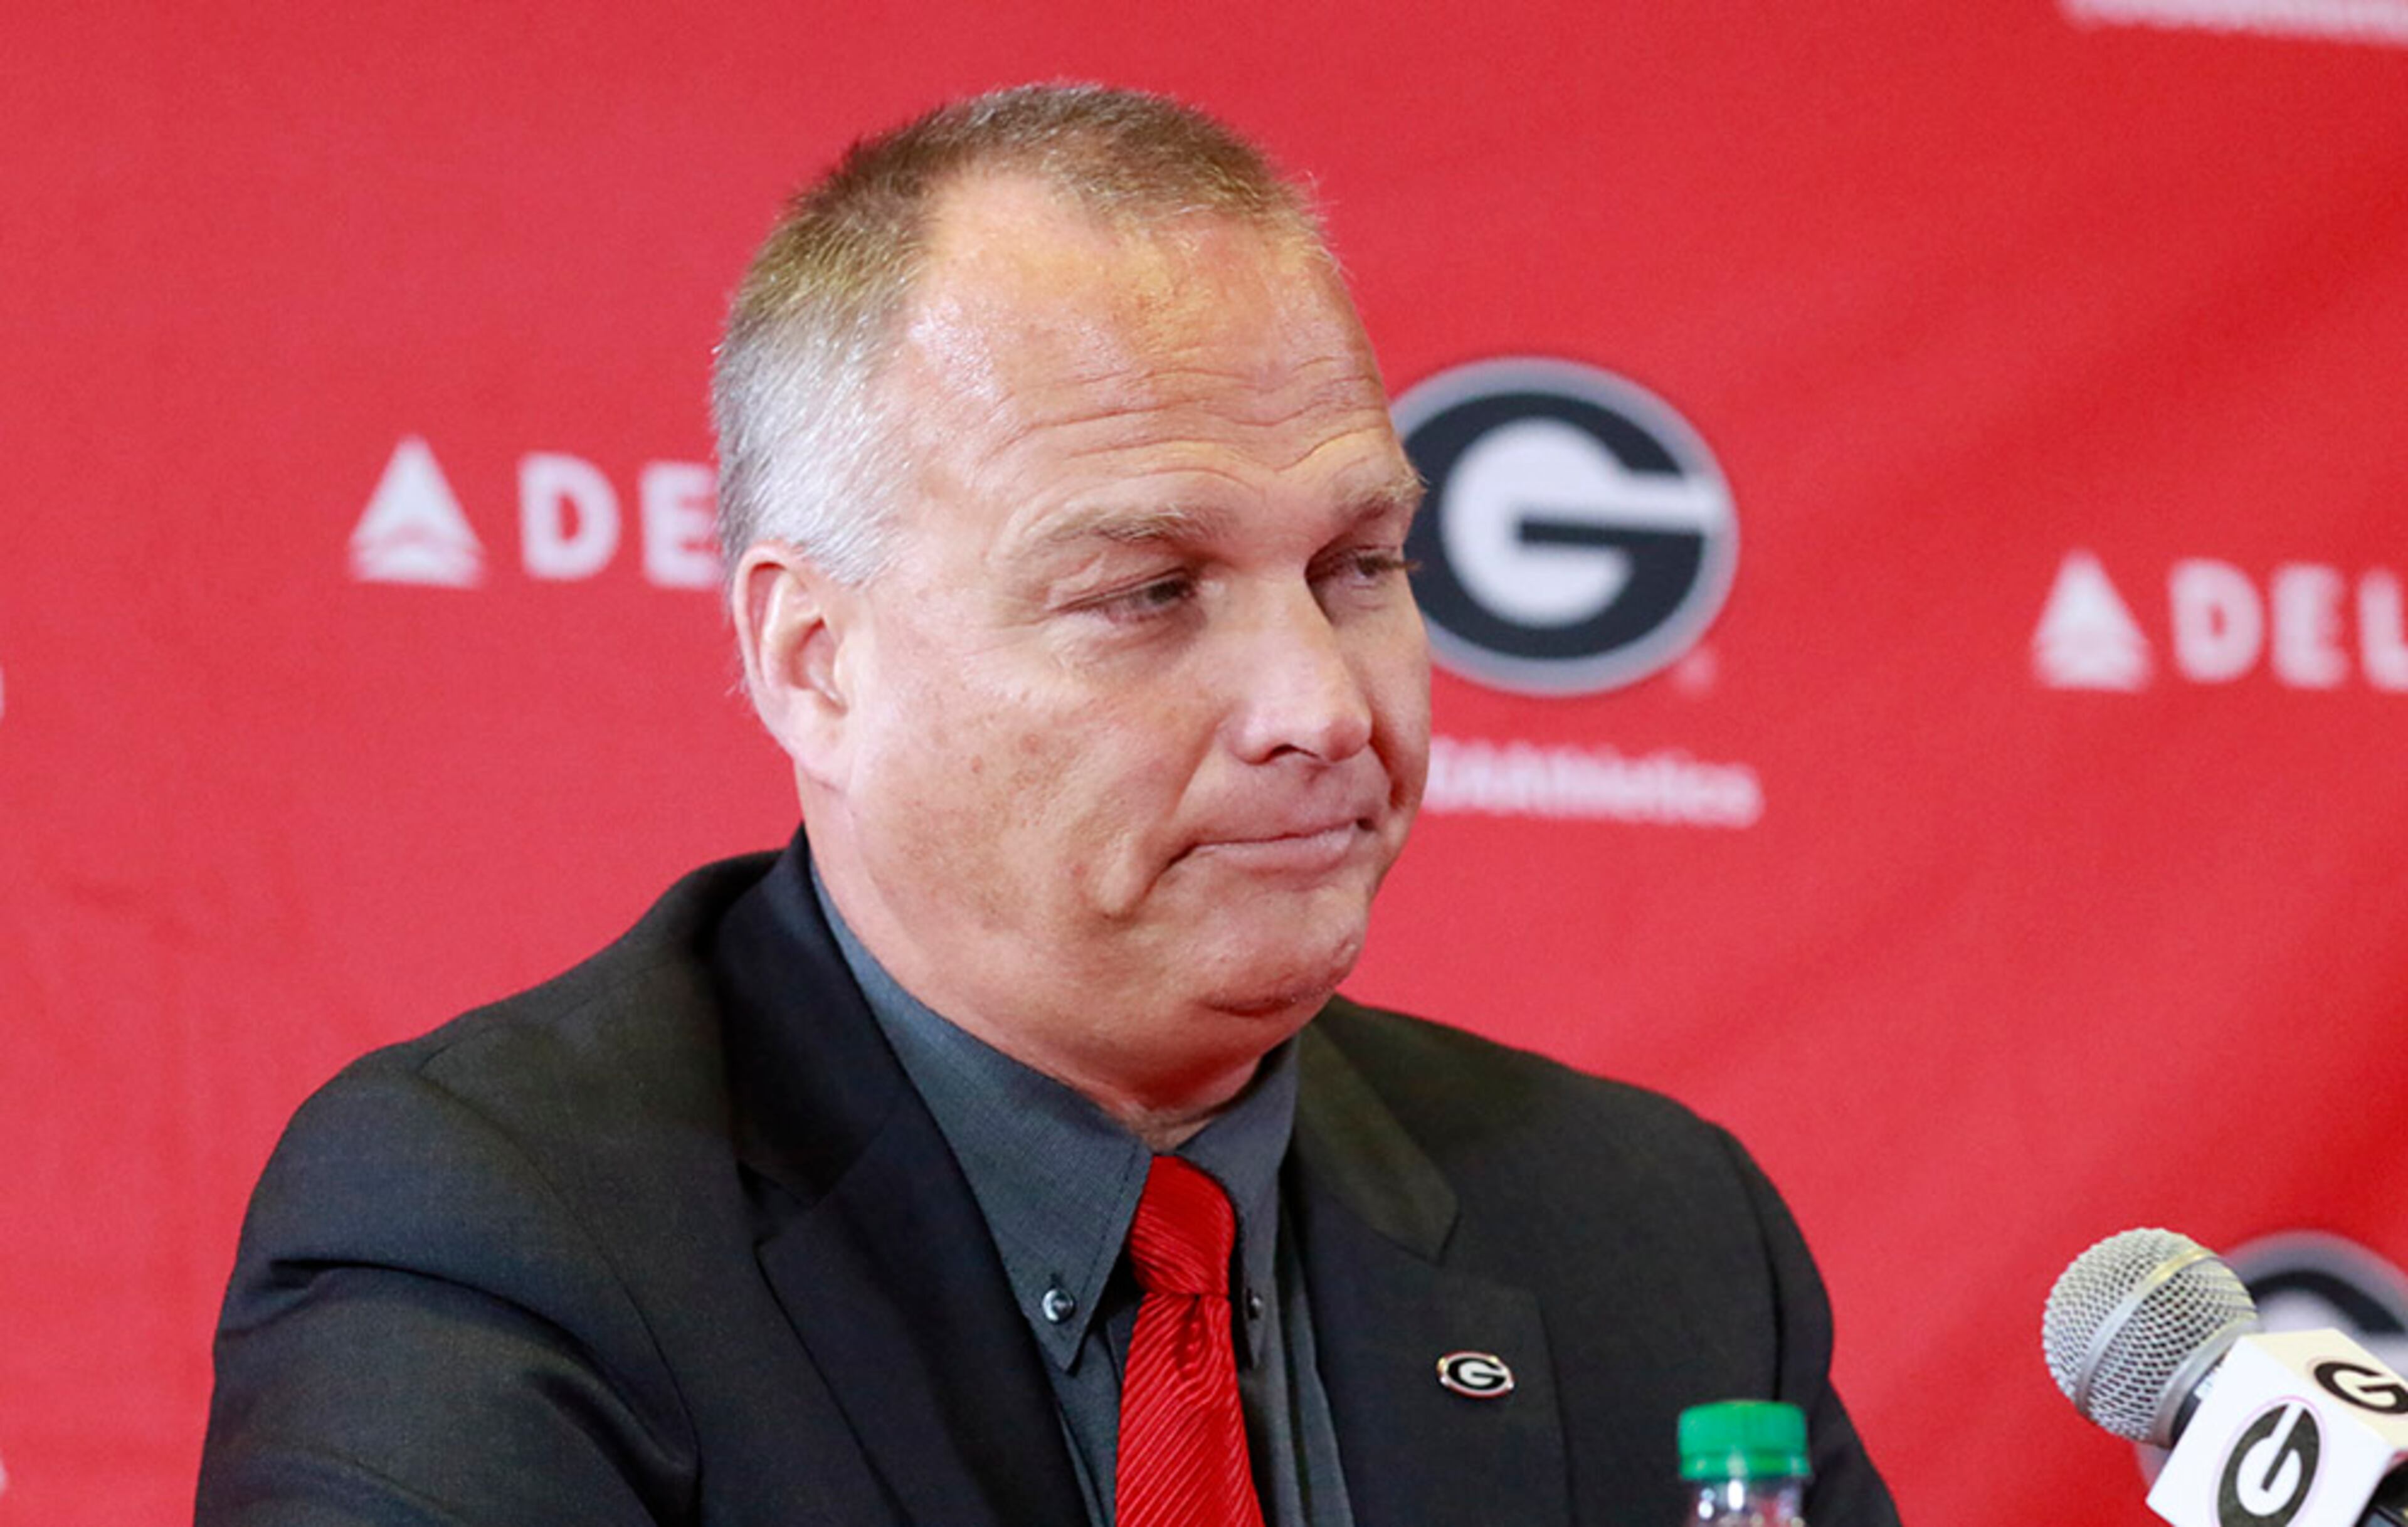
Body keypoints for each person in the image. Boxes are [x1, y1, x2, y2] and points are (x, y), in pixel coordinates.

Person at [198, 85, 1899, 1527]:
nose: (1321, 704)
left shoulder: (1659, 1232)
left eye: (1358, 563)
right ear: (818, 662)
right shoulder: (495, 1228)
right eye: (1151, 590)